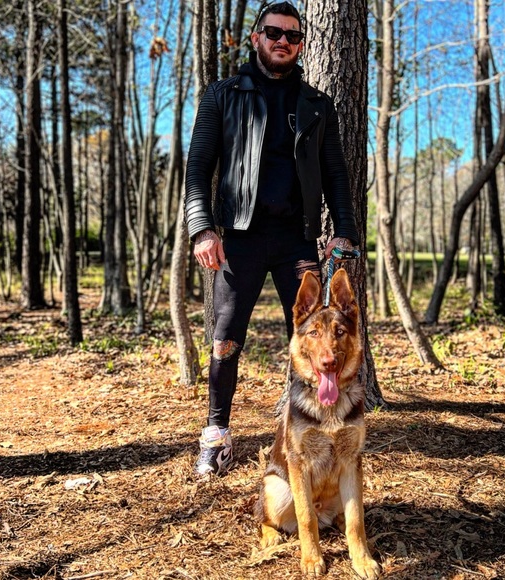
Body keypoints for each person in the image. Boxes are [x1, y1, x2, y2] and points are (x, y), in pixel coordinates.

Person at [184, 1, 359, 476]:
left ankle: (306, 432)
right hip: (238, 239)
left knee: (314, 337)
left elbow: (336, 175)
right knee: (225, 339)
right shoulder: (223, 95)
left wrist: (343, 231)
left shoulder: (317, 105)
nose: (283, 41)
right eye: (274, 32)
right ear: (256, 37)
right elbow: (198, 168)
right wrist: (202, 228)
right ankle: (216, 434)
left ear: (301, 45)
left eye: (292, 36)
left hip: (297, 242)